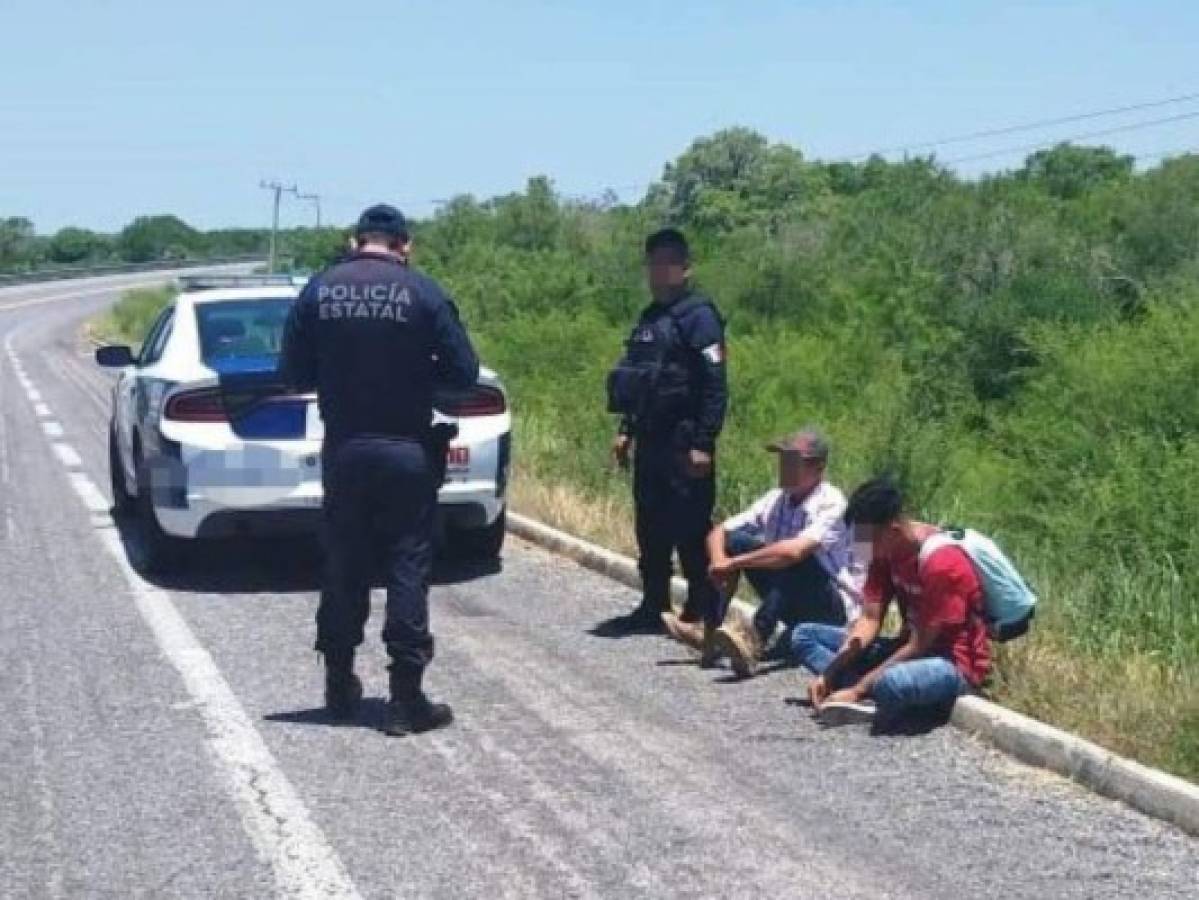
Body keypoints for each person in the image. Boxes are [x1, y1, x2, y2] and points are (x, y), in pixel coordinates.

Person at [278, 204, 480, 736]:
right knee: (407, 565)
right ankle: (405, 700)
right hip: (407, 449)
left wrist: (338, 374)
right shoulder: (425, 293)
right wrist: (417, 380)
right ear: (404, 245)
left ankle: (339, 685)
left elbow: (291, 372)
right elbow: (464, 373)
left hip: (345, 450)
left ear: (354, 241)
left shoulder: (320, 291)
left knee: (344, 562)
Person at [599, 228, 728, 636]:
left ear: (685, 268)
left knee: (690, 527)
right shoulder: (650, 318)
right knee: (650, 527)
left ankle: (700, 609)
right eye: (653, 264)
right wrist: (626, 430)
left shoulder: (700, 316)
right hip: (651, 440)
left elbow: (715, 385)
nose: (658, 272)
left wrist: (704, 442)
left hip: (685, 439)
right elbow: (641, 380)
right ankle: (653, 603)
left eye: (667, 263)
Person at [793, 476, 991, 727]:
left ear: (893, 529)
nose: (867, 548)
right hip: (907, 650)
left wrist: (858, 689)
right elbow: (870, 619)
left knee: (892, 683)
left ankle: (866, 694)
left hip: (951, 662)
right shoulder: (885, 553)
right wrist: (829, 672)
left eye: (870, 539)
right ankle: (861, 691)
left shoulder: (941, 563)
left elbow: (920, 644)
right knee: (804, 636)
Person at [665, 429, 861, 676]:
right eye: (782, 460)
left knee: (794, 558)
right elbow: (720, 531)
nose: (784, 468)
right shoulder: (776, 498)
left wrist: (734, 563)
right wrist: (719, 561)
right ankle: (710, 631)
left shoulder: (832, 503)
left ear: (818, 466)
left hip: (830, 606)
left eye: (793, 461)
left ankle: (754, 639)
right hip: (789, 593)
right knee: (735, 541)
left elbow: (794, 552)